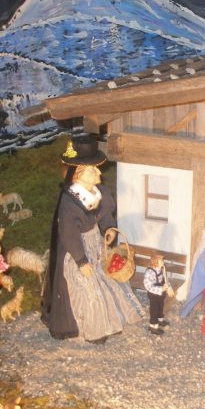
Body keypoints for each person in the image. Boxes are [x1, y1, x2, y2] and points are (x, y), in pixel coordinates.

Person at [41, 136, 145, 344]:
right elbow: (69, 234)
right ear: (78, 173)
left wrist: (108, 228)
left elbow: (105, 214)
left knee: (105, 279)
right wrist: (81, 261)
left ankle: (111, 318)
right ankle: (91, 328)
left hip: (95, 243)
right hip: (77, 250)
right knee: (88, 287)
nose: (99, 172)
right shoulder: (70, 202)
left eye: (97, 168)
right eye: (93, 170)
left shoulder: (100, 193)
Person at [143, 254, 174, 335]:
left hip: (161, 294)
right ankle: (153, 325)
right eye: (161, 261)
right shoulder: (149, 272)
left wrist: (169, 288)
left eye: (162, 260)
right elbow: (148, 286)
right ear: (155, 262)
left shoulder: (161, 269)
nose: (163, 262)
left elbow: (165, 281)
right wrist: (161, 289)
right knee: (154, 309)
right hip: (154, 294)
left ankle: (160, 319)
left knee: (161, 306)